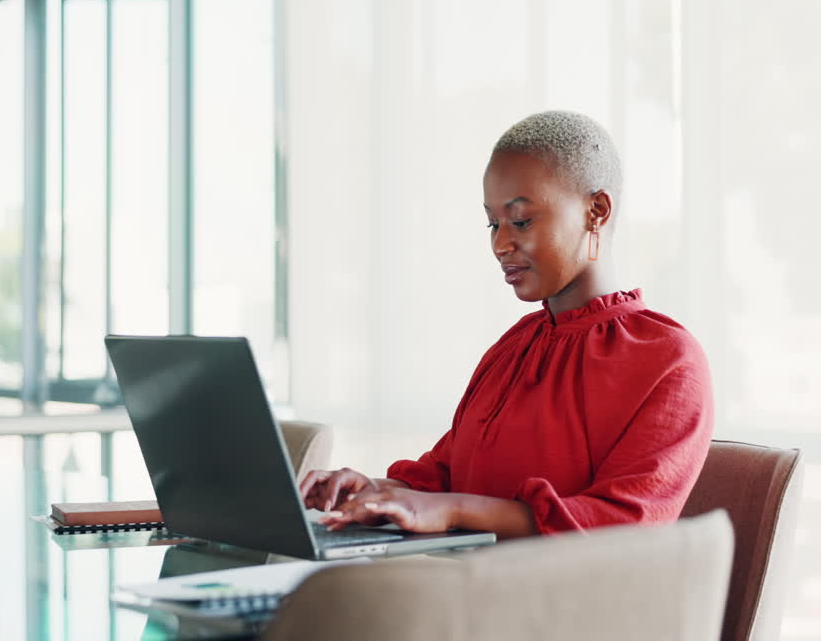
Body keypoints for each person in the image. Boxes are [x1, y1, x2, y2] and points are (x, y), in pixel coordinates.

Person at [299, 110, 713, 539]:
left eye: (520, 221)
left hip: (568, 601)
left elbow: (623, 526)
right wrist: (382, 492)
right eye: (492, 223)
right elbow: (446, 473)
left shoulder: (667, 360)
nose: (499, 244)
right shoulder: (514, 347)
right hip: (468, 589)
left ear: (597, 210)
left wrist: (452, 510)